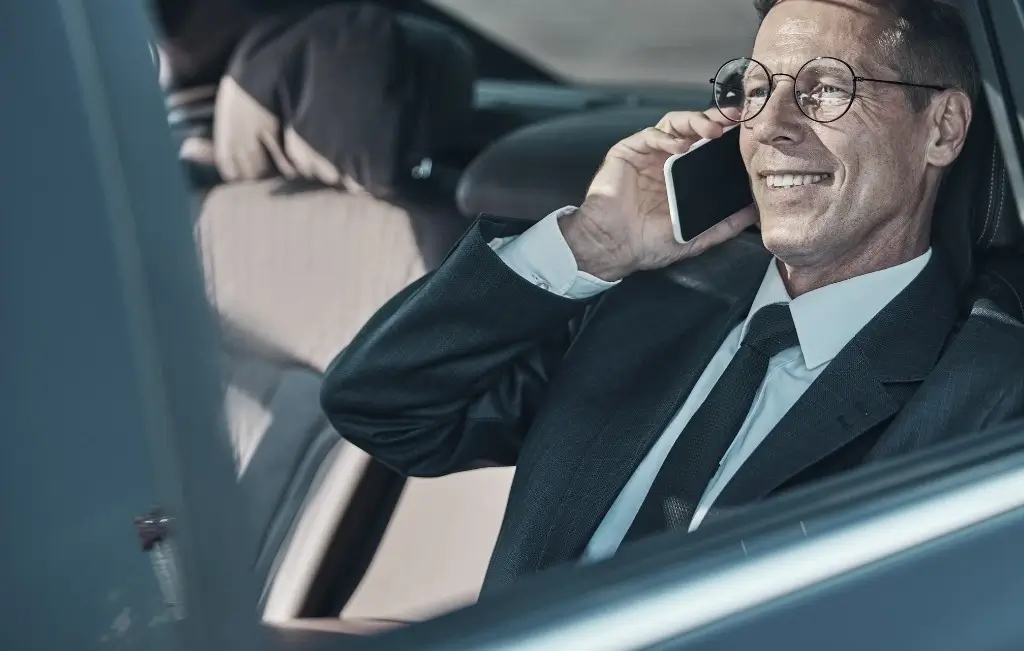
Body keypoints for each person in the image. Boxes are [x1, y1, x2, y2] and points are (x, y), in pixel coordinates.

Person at [321, 0, 1024, 594]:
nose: (771, 125)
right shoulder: (650, 304)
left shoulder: (984, 400)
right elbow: (381, 405)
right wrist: (592, 243)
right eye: (755, 89)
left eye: (826, 89)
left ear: (942, 129)